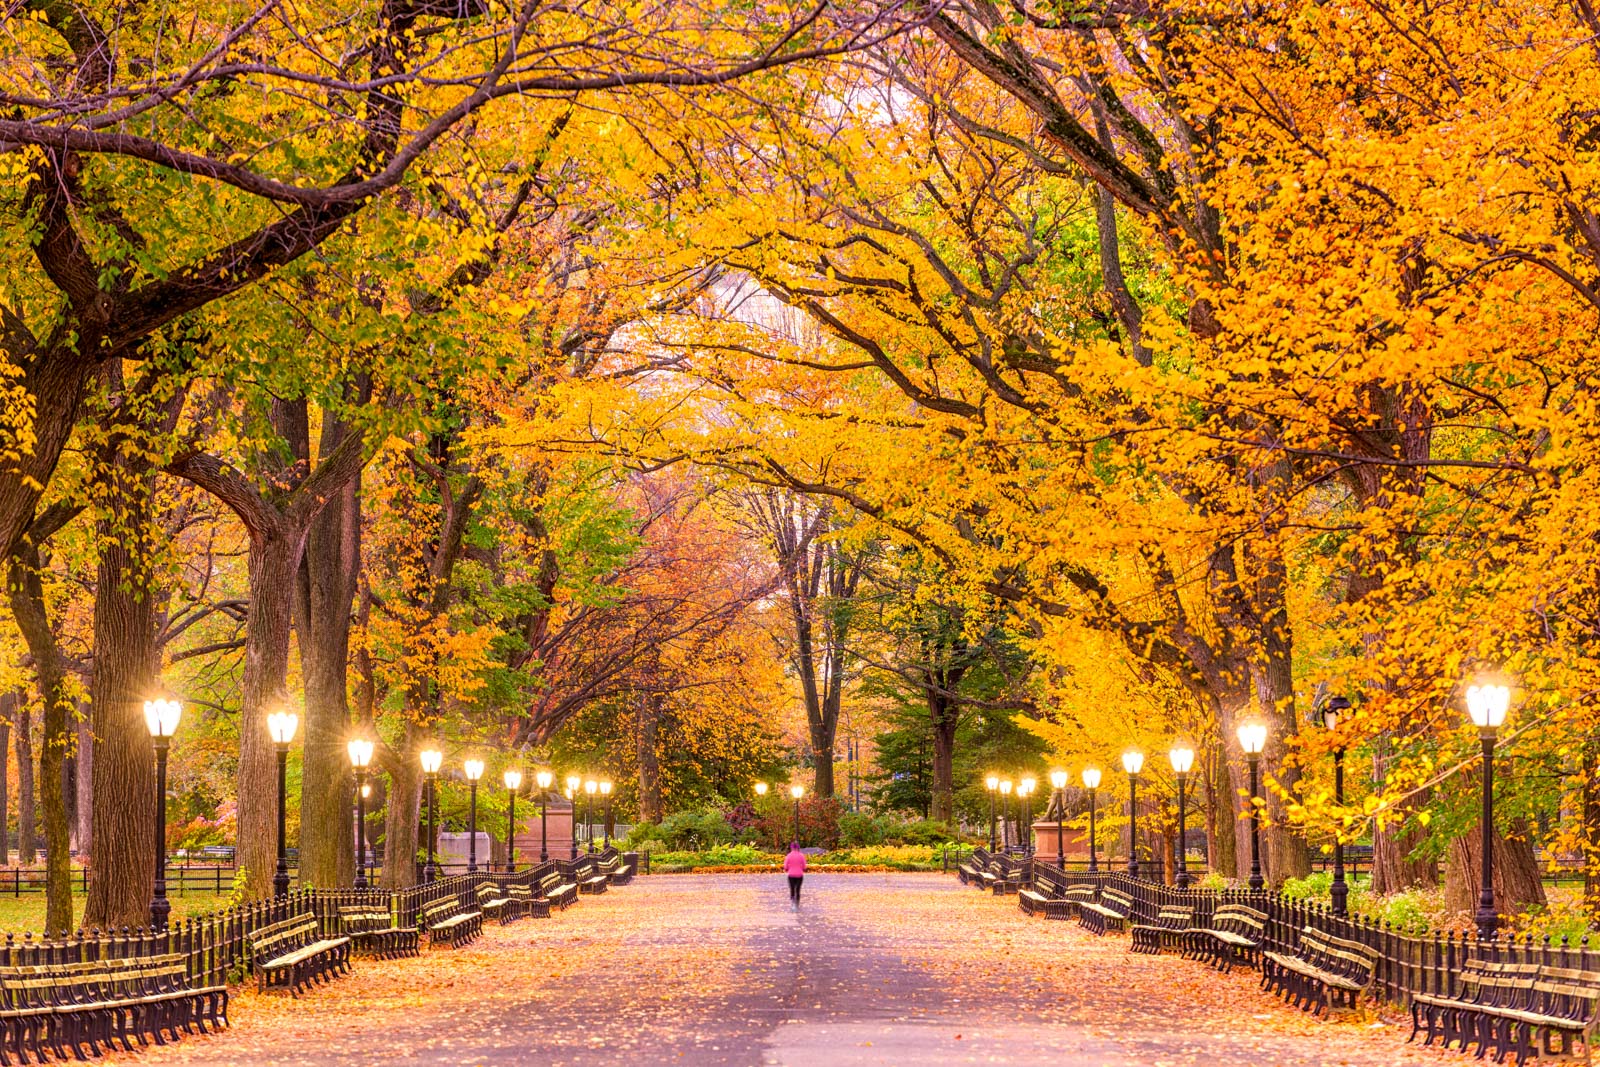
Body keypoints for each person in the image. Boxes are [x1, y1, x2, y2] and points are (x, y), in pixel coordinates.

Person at [784, 841, 807, 908]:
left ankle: (792, 902)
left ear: (791, 848)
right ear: (798, 848)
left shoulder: (788, 856)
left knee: (792, 888)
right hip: (799, 875)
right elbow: (804, 867)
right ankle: (797, 903)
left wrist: (788, 869)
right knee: (798, 889)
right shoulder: (801, 856)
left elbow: (785, 867)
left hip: (791, 875)